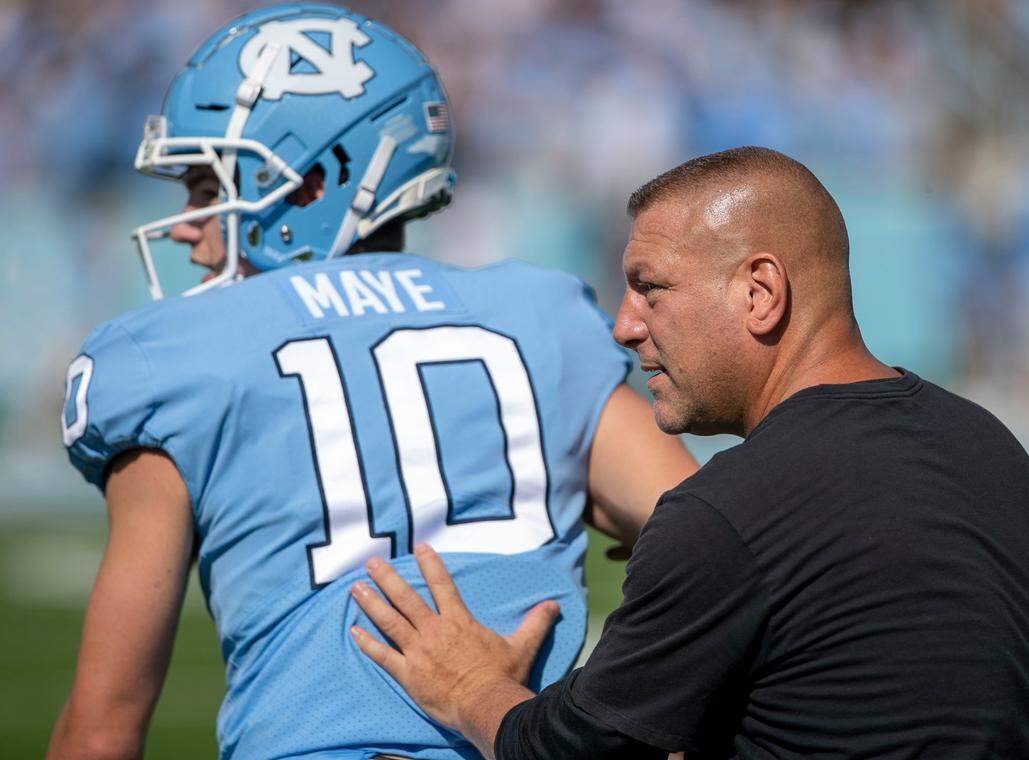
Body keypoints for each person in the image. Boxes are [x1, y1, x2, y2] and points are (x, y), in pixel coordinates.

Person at [47, 4, 695, 759]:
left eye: (205, 185)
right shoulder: (537, 314)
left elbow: (102, 727)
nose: (190, 221)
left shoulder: (175, 360)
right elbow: (716, 537)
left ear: (313, 185)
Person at [349, 147, 1029, 759]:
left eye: (649, 290)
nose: (624, 327)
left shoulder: (727, 513)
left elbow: (574, 754)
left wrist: (471, 688)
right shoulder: (987, 443)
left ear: (760, 293)